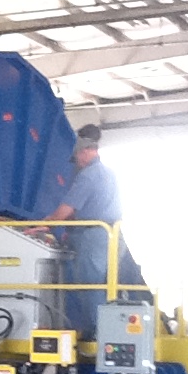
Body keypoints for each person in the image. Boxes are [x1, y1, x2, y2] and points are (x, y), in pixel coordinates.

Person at [42, 124, 146, 337]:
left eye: (79, 155)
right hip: (114, 235)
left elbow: (65, 211)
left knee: (91, 285)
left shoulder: (88, 175)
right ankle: (118, 332)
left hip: (93, 237)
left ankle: (99, 333)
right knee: (110, 286)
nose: (78, 161)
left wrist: (42, 224)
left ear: (88, 151)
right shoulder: (109, 173)